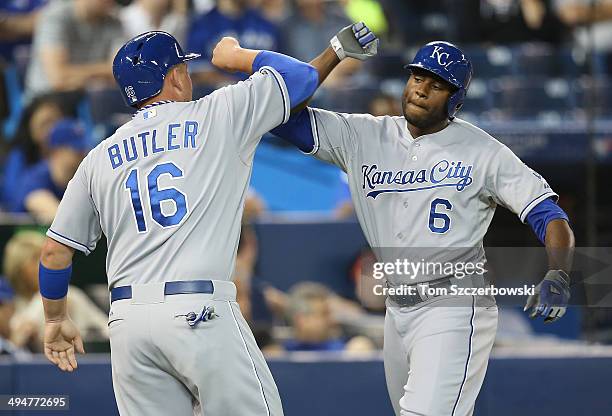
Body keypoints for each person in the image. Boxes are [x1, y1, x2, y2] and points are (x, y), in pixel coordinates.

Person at [37, 27, 377, 415]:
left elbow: (53, 252)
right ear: (175, 77)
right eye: (183, 68)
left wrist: (55, 317)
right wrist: (240, 56)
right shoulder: (216, 113)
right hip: (197, 309)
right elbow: (299, 79)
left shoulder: (98, 157)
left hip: (128, 322)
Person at [272, 41, 574, 415]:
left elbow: (548, 213)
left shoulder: (483, 151)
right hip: (395, 309)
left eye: (437, 83)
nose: (421, 88)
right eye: (417, 76)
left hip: (453, 304)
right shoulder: (364, 135)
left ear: (456, 99)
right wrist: (334, 53)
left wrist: (559, 271)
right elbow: (282, 115)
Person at [3, 231, 108, 352]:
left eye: (44, 258)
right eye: (36, 259)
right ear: (19, 268)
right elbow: (9, 350)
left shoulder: (69, 295)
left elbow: (106, 330)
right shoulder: (8, 304)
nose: (44, 265)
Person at [24, 0, 124, 100]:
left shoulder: (114, 22)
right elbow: (58, 78)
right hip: (45, 97)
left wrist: (75, 75)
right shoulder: (54, 16)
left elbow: (119, 72)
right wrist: (102, 71)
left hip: (91, 96)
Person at [187, 0, 281, 86]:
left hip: (261, 95)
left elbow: (279, 67)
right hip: (221, 96)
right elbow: (198, 72)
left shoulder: (265, 24)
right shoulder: (202, 24)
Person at [1, 95, 65, 211]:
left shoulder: (69, 155)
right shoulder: (19, 156)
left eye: (55, 123)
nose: (51, 130)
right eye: (44, 124)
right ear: (31, 128)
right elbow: (14, 197)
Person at [17, 119, 88, 223]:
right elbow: (48, 208)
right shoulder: (37, 177)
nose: (83, 154)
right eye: (76, 150)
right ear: (57, 151)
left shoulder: (80, 179)